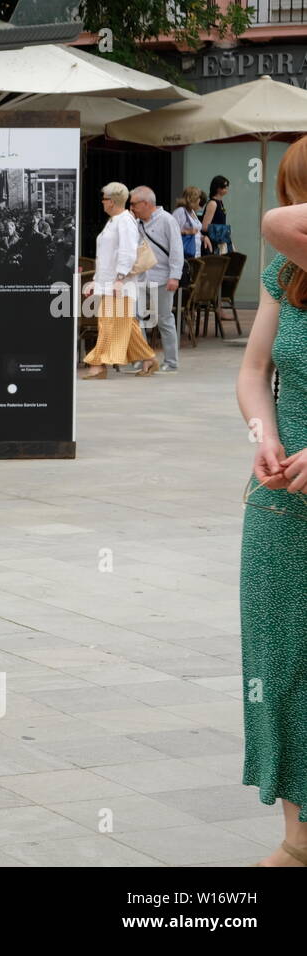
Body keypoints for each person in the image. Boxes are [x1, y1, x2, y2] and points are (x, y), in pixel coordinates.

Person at [236, 133, 307, 866]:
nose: (291, 212)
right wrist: (264, 430)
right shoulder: (288, 273)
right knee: (277, 663)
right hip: (281, 499)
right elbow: (255, 369)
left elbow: (270, 222)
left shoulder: (282, 235)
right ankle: (297, 840)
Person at [82, 181, 157, 379]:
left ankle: (98, 364)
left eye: (104, 199)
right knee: (125, 325)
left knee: (108, 324)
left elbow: (127, 252)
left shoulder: (124, 221)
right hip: (110, 283)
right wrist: (96, 281)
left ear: (113, 201)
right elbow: (106, 257)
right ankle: (148, 358)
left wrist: (119, 279)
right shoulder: (115, 220)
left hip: (119, 285)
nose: (102, 202)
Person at [131, 185, 184, 374]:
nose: (132, 208)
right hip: (141, 278)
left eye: (134, 204)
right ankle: (143, 358)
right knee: (135, 318)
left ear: (146, 203)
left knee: (164, 319)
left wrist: (174, 277)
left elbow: (177, 249)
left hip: (162, 277)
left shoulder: (167, 220)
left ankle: (171, 362)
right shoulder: (136, 223)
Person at [173, 186, 207, 258]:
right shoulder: (180, 211)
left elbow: (196, 231)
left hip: (196, 252)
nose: (199, 201)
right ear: (192, 199)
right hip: (185, 253)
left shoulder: (192, 212)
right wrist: (187, 232)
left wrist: (203, 237)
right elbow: (172, 231)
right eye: (198, 198)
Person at [203, 174, 232, 254]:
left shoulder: (220, 203)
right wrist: (223, 231)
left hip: (220, 241)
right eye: (225, 186)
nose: (227, 188)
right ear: (218, 188)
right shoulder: (213, 203)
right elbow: (205, 226)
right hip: (213, 243)